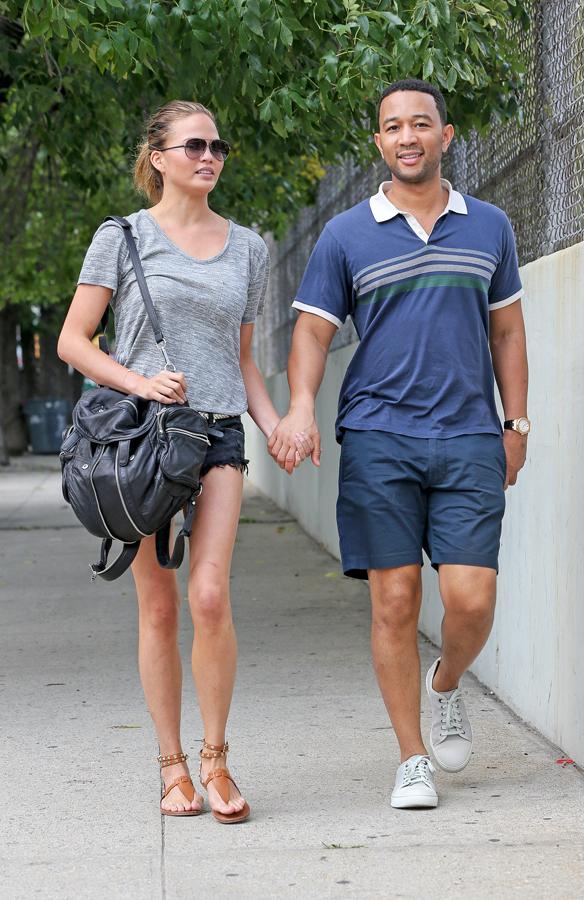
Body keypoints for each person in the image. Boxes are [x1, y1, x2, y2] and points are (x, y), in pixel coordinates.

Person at [268, 79, 529, 809]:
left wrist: (516, 424)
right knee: (395, 600)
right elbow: (314, 331)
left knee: (470, 598)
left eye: (422, 124)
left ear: (446, 137)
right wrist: (299, 410)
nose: (408, 136)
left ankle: (445, 682)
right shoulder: (347, 233)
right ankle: (412, 757)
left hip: (472, 435)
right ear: (379, 143)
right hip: (380, 437)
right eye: (393, 126)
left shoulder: (491, 227)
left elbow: (506, 331)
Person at [58, 100, 284, 822]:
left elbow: (243, 361)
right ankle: (171, 767)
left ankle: (216, 761)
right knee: (158, 606)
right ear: (157, 157)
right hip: (140, 441)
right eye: (192, 146)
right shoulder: (121, 239)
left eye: (217, 145)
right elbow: (74, 340)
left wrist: (278, 425)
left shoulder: (248, 247)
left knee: (209, 596)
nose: (208, 156)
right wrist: (139, 381)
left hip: (216, 434)